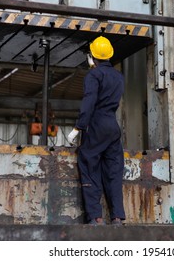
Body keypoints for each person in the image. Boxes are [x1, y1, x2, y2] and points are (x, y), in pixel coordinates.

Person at [67, 36, 125, 225]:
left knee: (89, 164)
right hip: (113, 127)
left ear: (91, 56)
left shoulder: (93, 75)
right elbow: (107, 89)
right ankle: (117, 217)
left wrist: (78, 127)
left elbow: (89, 102)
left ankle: (96, 217)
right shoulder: (118, 76)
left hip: (96, 125)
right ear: (109, 55)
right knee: (113, 172)